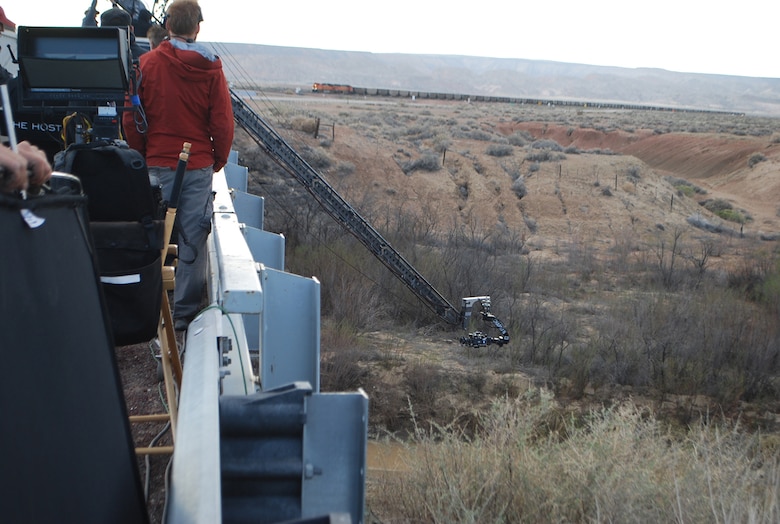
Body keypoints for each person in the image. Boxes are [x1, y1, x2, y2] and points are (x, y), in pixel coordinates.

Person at [123, 0, 234, 331]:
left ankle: (147, 307)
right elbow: (222, 122)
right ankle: (183, 316)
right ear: (197, 28)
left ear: (167, 26)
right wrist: (218, 159)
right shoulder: (211, 69)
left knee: (153, 235)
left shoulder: (146, 65)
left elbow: (132, 117)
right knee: (192, 238)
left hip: (156, 163)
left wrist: (141, 153)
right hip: (197, 166)